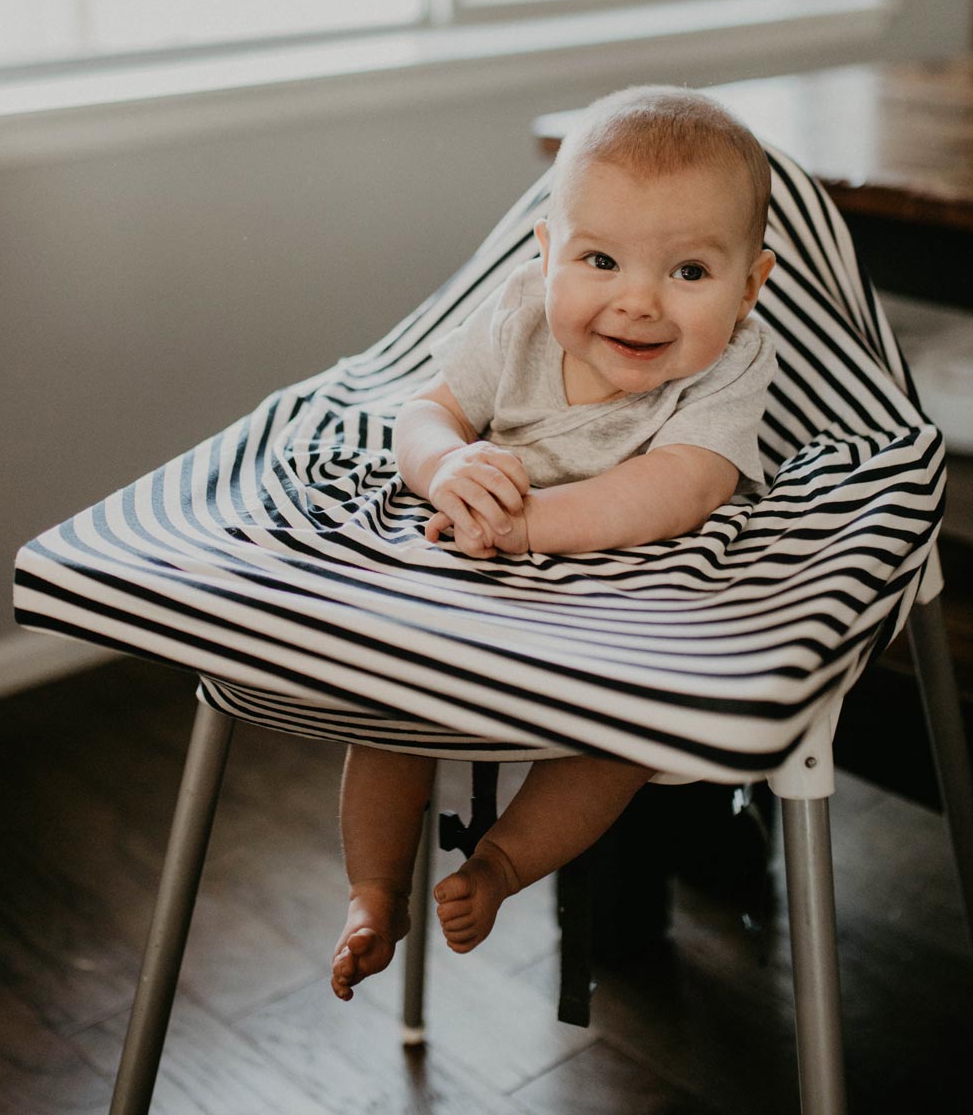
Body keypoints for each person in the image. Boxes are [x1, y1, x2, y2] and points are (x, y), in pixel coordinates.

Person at [331, 85, 777, 1002]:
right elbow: (427, 411)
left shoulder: (734, 364)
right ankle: (374, 891)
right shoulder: (520, 316)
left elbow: (685, 483)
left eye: (690, 272)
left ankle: (498, 865)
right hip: (480, 572)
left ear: (749, 286)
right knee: (386, 701)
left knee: (616, 738)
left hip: (622, 596)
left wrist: (532, 523)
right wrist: (447, 466)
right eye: (601, 260)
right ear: (547, 254)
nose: (639, 302)